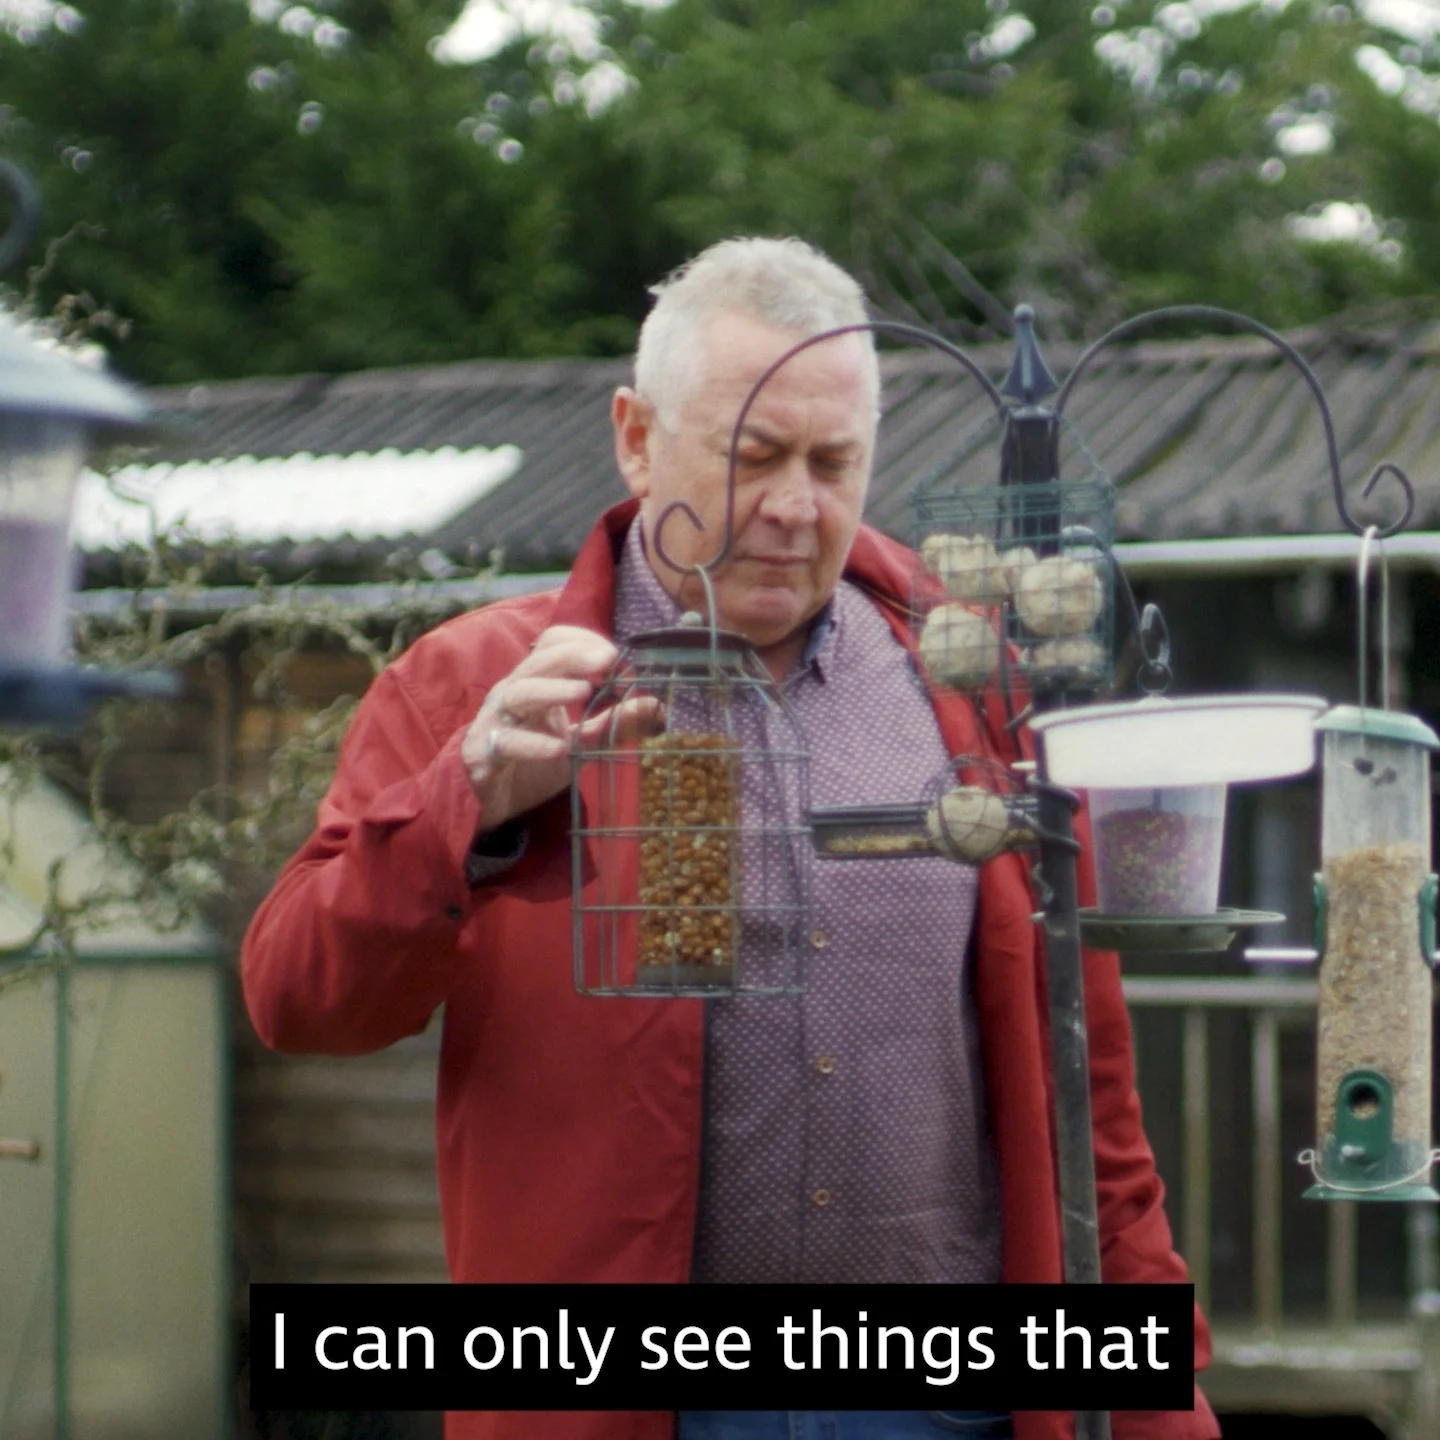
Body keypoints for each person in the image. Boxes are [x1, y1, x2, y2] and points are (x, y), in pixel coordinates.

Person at [241, 237, 1220, 1440]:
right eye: (753, 458)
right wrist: (469, 801)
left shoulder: (971, 676)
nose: (793, 506)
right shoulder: (483, 684)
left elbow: (1093, 1099)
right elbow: (297, 999)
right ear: (636, 437)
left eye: (832, 461)